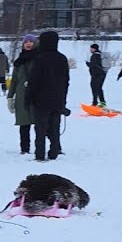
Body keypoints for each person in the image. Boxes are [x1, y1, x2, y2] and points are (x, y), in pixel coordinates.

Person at [24, 30, 70, 162]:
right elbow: (66, 81)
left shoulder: (39, 59)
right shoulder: (61, 58)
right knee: (55, 128)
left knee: (40, 129)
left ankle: (40, 154)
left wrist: (28, 98)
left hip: (40, 101)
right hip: (57, 100)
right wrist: (63, 100)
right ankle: (53, 152)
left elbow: (33, 81)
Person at [6, 34, 37, 155]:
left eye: (31, 41)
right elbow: (14, 80)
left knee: (39, 122)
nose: (28, 43)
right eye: (26, 42)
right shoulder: (19, 61)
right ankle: (25, 149)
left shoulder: (39, 58)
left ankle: (41, 147)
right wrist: (10, 97)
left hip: (36, 94)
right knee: (24, 124)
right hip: (21, 96)